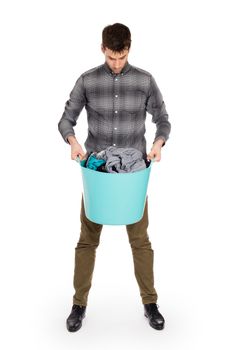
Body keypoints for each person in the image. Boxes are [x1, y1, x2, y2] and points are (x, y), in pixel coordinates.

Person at [58, 23, 171, 332]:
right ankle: (78, 304)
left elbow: (163, 119)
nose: (116, 64)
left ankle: (150, 303)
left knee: (140, 241)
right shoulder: (87, 80)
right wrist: (73, 142)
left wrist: (158, 144)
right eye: (111, 57)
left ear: (129, 49)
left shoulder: (145, 81)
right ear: (102, 50)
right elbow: (66, 119)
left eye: (121, 57)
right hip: (98, 173)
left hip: (133, 174)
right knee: (87, 240)